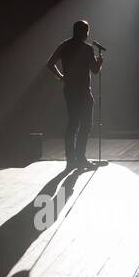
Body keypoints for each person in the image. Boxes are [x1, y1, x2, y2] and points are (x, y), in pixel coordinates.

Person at [45, 20, 105, 168]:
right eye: (87, 31)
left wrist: (61, 77)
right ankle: (80, 158)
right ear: (85, 32)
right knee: (85, 125)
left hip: (70, 90)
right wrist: (100, 61)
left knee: (73, 124)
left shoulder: (64, 45)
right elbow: (95, 71)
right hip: (84, 92)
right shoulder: (87, 49)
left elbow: (50, 64)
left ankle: (71, 159)